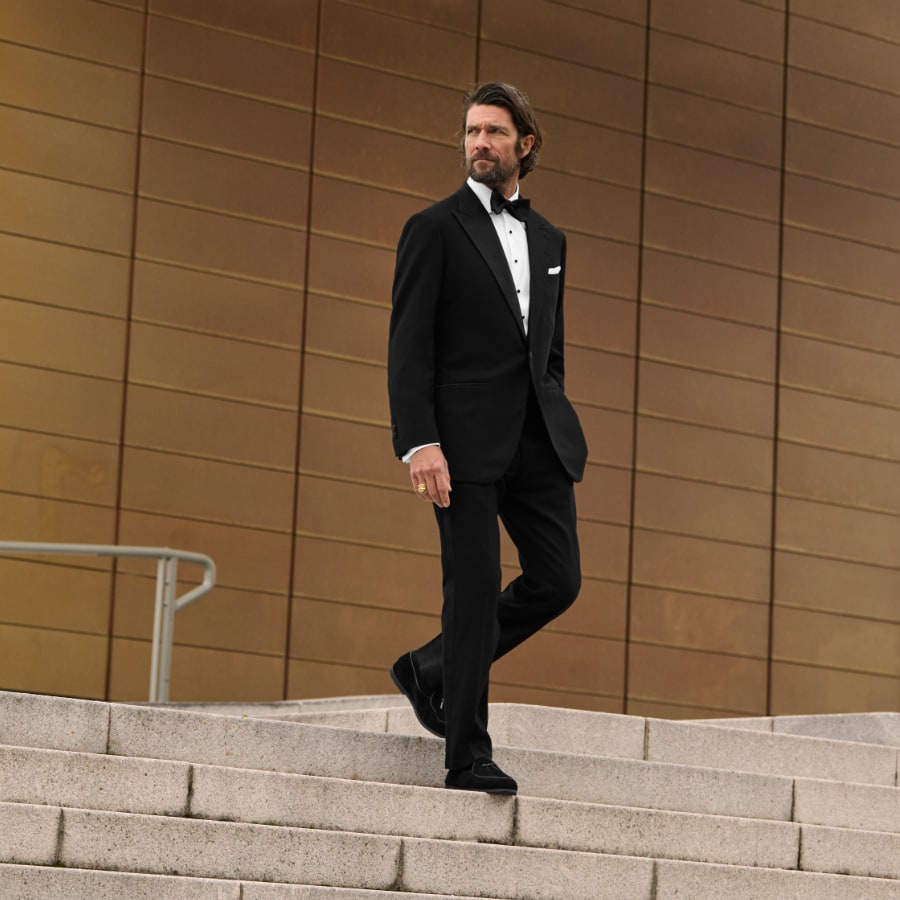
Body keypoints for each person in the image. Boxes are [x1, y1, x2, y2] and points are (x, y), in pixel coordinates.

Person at [387, 82, 587, 795]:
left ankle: (430, 667)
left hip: (536, 442)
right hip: (462, 445)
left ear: (524, 145)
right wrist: (419, 442)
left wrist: (553, 408)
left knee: (558, 579)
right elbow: (409, 347)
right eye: (472, 131)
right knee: (471, 593)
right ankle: (467, 755)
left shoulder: (550, 241)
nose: (479, 143)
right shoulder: (434, 228)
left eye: (494, 132)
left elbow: (548, 351)